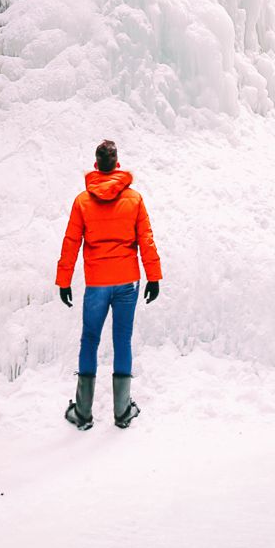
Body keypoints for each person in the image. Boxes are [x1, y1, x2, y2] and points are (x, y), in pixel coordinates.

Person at [55, 140, 161, 430]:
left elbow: (71, 243)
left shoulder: (82, 201)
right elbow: (146, 240)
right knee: (122, 340)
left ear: (95, 165)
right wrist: (154, 276)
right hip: (128, 281)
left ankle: (83, 413)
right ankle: (122, 411)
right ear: (117, 165)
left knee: (90, 340)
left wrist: (64, 280)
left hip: (97, 283)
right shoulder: (135, 199)